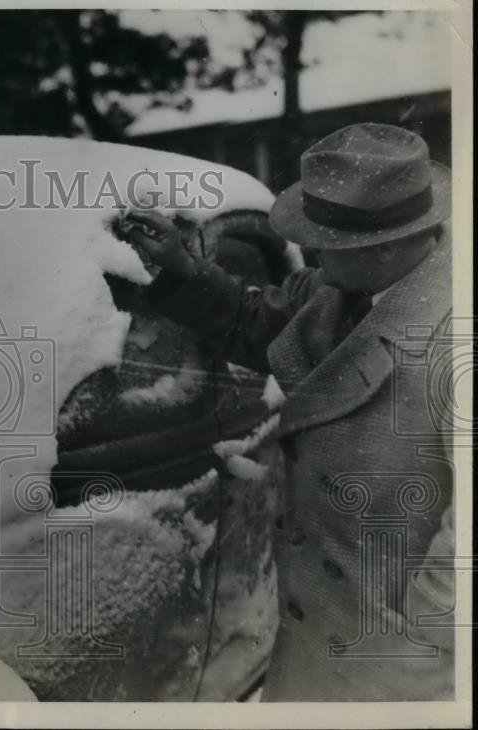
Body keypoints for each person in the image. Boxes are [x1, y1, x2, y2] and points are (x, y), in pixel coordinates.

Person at [122, 123, 456, 701]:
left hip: (394, 666)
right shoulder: (340, 291)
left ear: (387, 245)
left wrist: (420, 642)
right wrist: (182, 267)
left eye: (328, 239)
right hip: (317, 637)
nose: (314, 250)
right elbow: (263, 323)